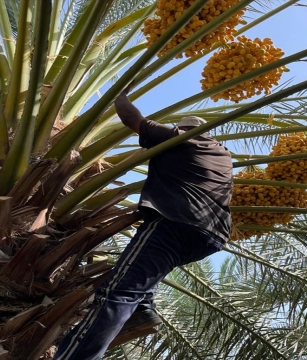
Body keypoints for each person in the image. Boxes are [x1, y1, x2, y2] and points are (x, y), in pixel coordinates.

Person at [53, 86, 233, 360]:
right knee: (144, 274)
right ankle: (143, 310)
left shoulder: (182, 139)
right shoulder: (222, 155)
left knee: (116, 293)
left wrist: (119, 95)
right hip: (210, 236)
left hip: (175, 223)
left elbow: (132, 120)